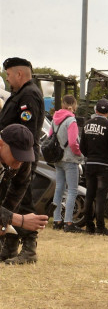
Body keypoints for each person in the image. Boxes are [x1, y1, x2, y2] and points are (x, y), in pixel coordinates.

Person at [0, 123, 50, 309]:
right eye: (16, 155)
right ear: (1, 144)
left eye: (24, 156)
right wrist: (18, 220)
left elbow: (17, 190)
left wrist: (3, 223)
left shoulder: (22, 161)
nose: (19, 162)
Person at [0, 58, 44, 264]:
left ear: (19, 74)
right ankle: (9, 246)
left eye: (8, 75)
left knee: (23, 200)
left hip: (21, 153)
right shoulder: (20, 94)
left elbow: (28, 131)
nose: (7, 79)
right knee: (10, 201)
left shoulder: (29, 94)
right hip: (10, 151)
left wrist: (20, 159)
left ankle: (29, 248)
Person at [79, 99, 108, 235]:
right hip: (104, 165)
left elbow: (82, 147)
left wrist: (90, 156)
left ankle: (89, 226)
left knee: (90, 194)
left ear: (95, 110)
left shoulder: (87, 124)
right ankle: (100, 227)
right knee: (101, 196)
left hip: (90, 164)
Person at [49, 94, 84, 232]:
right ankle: (68, 222)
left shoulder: (54, 119)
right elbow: (73, 142)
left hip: (58, 159)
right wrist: (80, 154)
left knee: (59, 189)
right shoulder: (71, 121)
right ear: (74, 106)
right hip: (70, 159)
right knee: (72, 191)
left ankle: (57, 220)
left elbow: (51, 136)